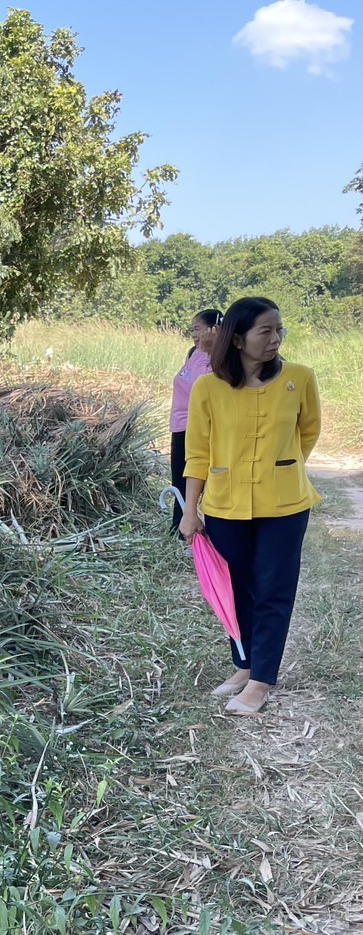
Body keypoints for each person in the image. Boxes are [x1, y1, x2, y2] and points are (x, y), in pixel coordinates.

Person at [178, 296, 322, 716]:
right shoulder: (209, 387)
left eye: (279, 330)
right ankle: (245, 665)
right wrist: (191, 509)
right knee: (235, 587)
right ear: (238, 338)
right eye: (265, 331)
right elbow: (197, 452)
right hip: (225, 504)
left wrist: (282, 467)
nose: (275, 338)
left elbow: (307, 433)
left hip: (286, 505)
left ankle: (261, 680)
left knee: (274, 591)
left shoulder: (299, 378)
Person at [168, 310, 222, 532]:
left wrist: (207, 351)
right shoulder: (193, 353)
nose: (194, 335)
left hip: (198, 428)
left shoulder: (217, 358)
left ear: (214, 330)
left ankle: (202, 526)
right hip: (180, 427)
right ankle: (179, 526)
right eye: (192, 330)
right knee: (179, 480)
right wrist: (199, 351)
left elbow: (200, 388)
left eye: (198, 329)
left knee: (199, 480)